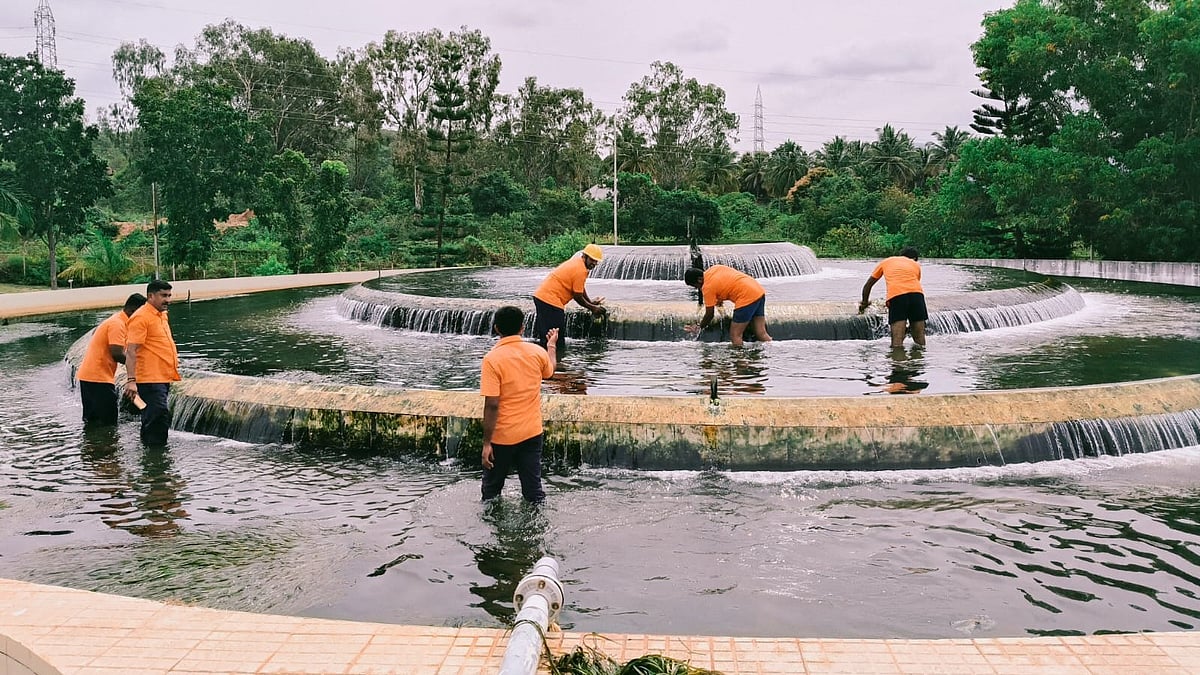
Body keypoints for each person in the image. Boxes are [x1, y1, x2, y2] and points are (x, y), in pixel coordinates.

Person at [480, 306, 557, 504]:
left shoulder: (492, 360)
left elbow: (492, 405)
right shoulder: (536, 352)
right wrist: (551, 346)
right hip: (532, 433)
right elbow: (550, 372)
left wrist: (487, 443)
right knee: (533, 491)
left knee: (491, 492)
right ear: (523, 328)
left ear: (496, 329)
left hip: (502, 437)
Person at [123, 280, 180, 445]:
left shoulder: (162, 314)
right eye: (163, 295)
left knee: (153, 416)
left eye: (169, 295)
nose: (168, 300)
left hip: (162, 376)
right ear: (150, 296)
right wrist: (131, 381)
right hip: (149, 379)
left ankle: (150, 457)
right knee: (158, 416)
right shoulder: (141, 317)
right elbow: (131, 351)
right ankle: (156, 460)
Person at [77, 293, 146, 424]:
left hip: (91, 377)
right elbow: (117, 353)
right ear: (133, 311)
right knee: (107, 422)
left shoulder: (117, 320)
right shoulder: (117, 324)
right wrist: (138, 367)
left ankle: (94, 443)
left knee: (94, 422)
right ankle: (104, 444)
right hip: (97, 378)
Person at [532, 244, 606, 350]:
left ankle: (547, 361)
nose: (594, 263)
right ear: (585, 256)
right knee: (556, 338)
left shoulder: (577, 263)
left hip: (542, 298)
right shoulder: (580, 269)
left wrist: (590, 302)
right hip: (550, 301)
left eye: (596, 261)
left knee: (547, 335)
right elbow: (577, 296)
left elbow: (579, 288)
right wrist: (593, 308)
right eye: (592, 260)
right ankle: (555, 363)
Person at [683, 265, 773, 347]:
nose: (698, 288)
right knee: (761, 333)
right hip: (758, 291)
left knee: (735, 335)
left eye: (695, 286)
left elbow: (709, 314)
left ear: (699, 279)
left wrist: (699, 327)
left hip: (746, 297)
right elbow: (726, 282)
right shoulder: (715, 268)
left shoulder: (707, 287)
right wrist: (719, 300)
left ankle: (740, 361)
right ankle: (773, 354)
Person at [859, 246, 927, 349]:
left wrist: (864, 303)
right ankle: (918, 363)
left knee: (897, 342)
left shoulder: (886, 261)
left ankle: (898, 362)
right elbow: (912, 286)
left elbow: (868, 285)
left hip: (897, 296)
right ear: (914, 258)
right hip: (917, 296)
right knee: (920, 340)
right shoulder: (915, 265)